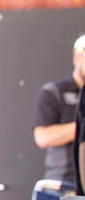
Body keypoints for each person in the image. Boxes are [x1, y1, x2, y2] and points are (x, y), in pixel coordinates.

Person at [32, 34, 85, 185]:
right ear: (76, 58)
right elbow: (43, 137)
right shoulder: (53, 92)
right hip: (63, 184)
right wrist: (80, 127)